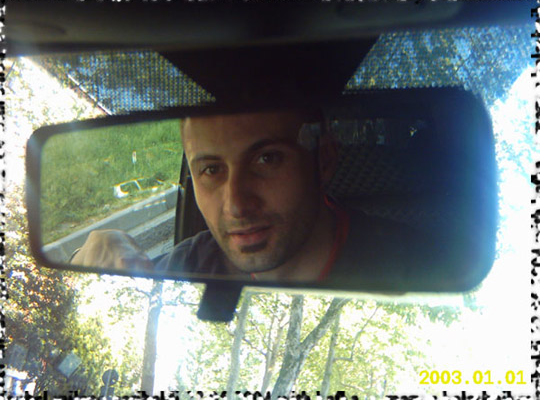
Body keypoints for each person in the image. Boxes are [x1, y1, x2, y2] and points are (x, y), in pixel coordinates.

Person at [72, 109, 435, 285]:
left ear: (324, 159)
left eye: (267, 159)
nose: (236, 205)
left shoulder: (420, 268)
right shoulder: (189, 266)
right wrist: (87, 264)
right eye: (211, 170)